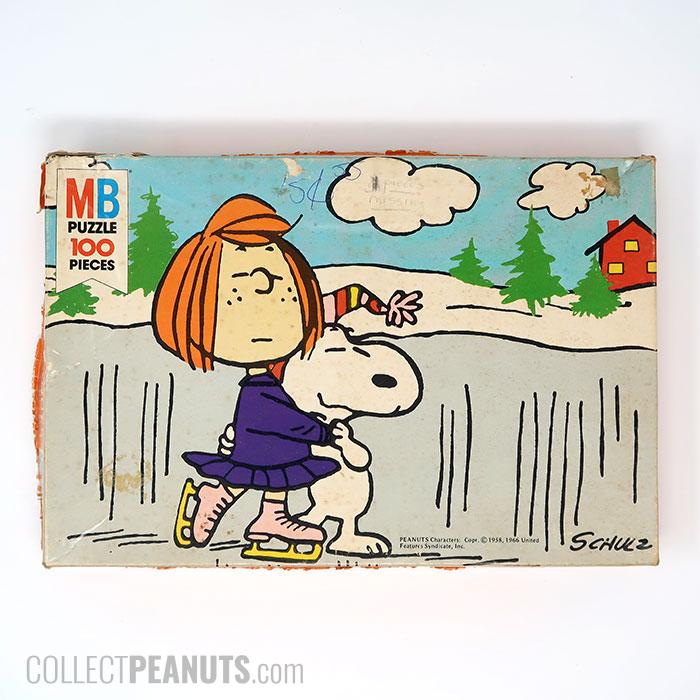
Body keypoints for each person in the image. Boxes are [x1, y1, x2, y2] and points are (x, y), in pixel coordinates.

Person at [152, 194, 340, 562]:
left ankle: (266, 516)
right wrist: (321, 432)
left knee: (264, 476)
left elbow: (335, 304)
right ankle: (226, 501)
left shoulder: (266, 383)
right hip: (270, 445)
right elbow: (285, 420)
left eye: (285, 299)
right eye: (235, 301)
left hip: (269, 447)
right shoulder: (262, 392)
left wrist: (376, 305)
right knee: (259, 473)